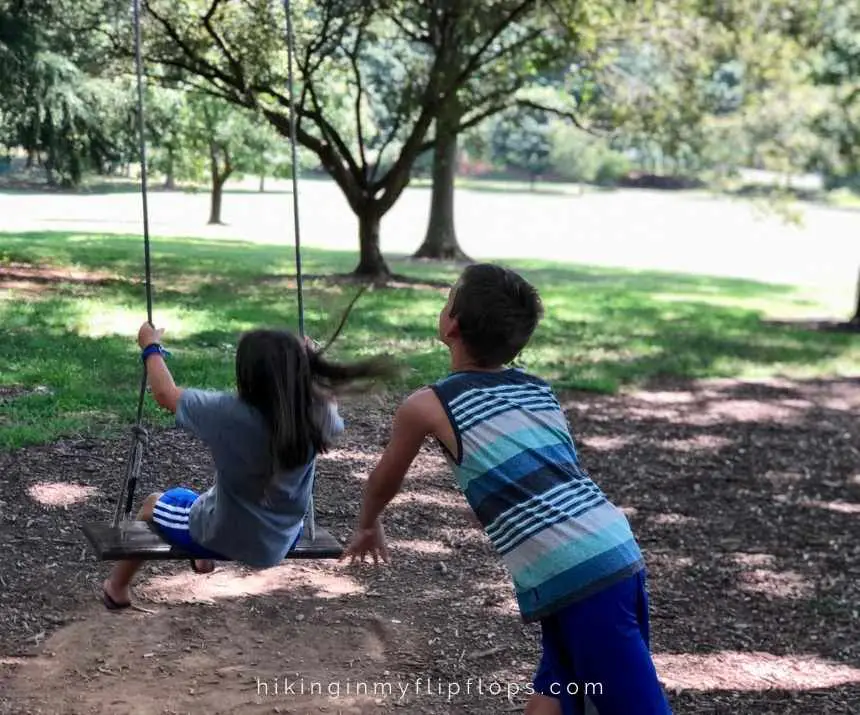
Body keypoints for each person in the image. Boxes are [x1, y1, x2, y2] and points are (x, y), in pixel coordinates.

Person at [341, 264, 672, 715]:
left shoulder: (428, 405)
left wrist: (367, 524)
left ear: (452, 325)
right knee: (558, 696)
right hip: (599, 553)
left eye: (448, 299)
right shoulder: (539, 390)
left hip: (581, 572)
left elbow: (385, 478)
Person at [102, 320, 394, 611]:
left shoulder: (225, 413)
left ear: (246, 375)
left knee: (154, 503)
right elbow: (325, 399)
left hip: (220, 534)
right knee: (213, 497)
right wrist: (310, 363)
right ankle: (201, 558)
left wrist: (150, 346)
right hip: (282, 540)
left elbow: (165, 394)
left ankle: (117, 588)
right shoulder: (317, 416)